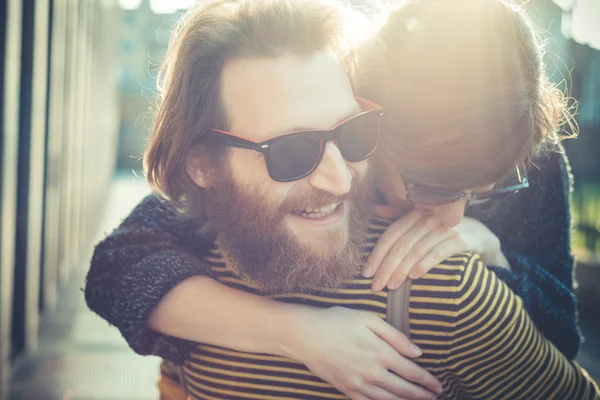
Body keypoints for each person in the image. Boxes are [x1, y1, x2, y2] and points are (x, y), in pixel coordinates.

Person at [85, 0, 594, 399]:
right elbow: (118, 266)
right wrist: (302, 333)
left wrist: (494, 254)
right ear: (376, 113)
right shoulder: (334, 106)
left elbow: (560, 340)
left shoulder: (529, 163)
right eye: (294, 149)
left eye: (478, 192)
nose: (449, 214)